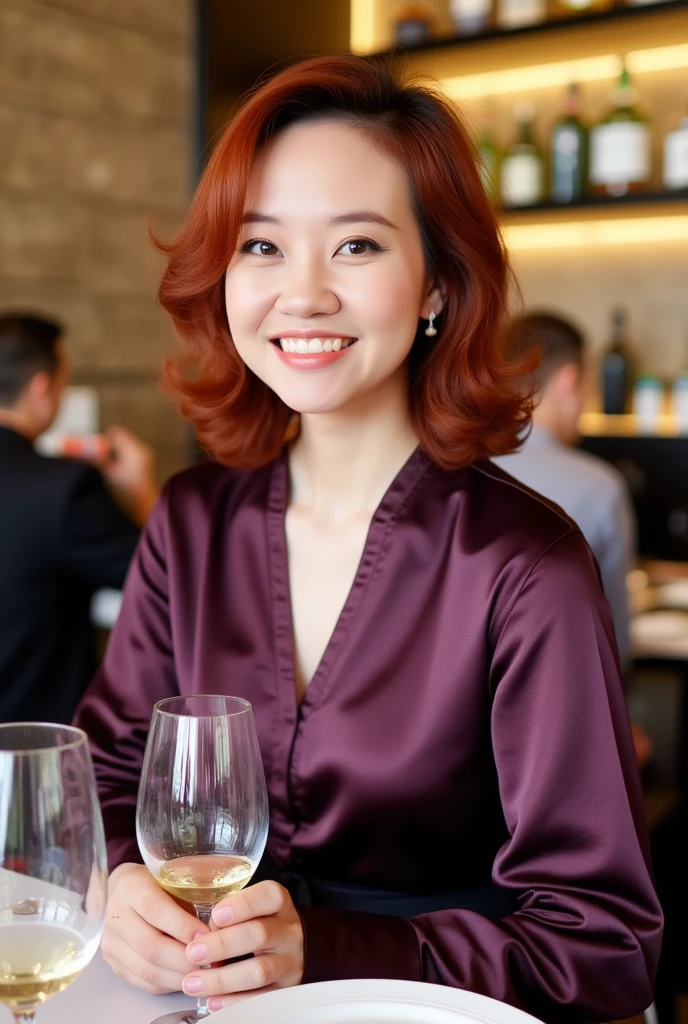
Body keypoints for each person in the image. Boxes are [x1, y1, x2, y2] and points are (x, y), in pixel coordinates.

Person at [74, 56, 662, 1021]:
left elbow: (602, 944)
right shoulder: (190, 522)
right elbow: (103, 776)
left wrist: (330, 949)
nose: (301, 294)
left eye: (356, 247)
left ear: (437, 285)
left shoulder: (525, 568)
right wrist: (124, 884)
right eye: (261, 248)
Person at [0, 313, 159, 723]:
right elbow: (163, 579)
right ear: (41, 387)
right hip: (33, 757)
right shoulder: (63, 489)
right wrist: (142, 486)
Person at [492, 312, 636, 673]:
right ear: (570, 380)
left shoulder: (453, 467)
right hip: (564, 694)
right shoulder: (599, 485)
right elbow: (615, 635)